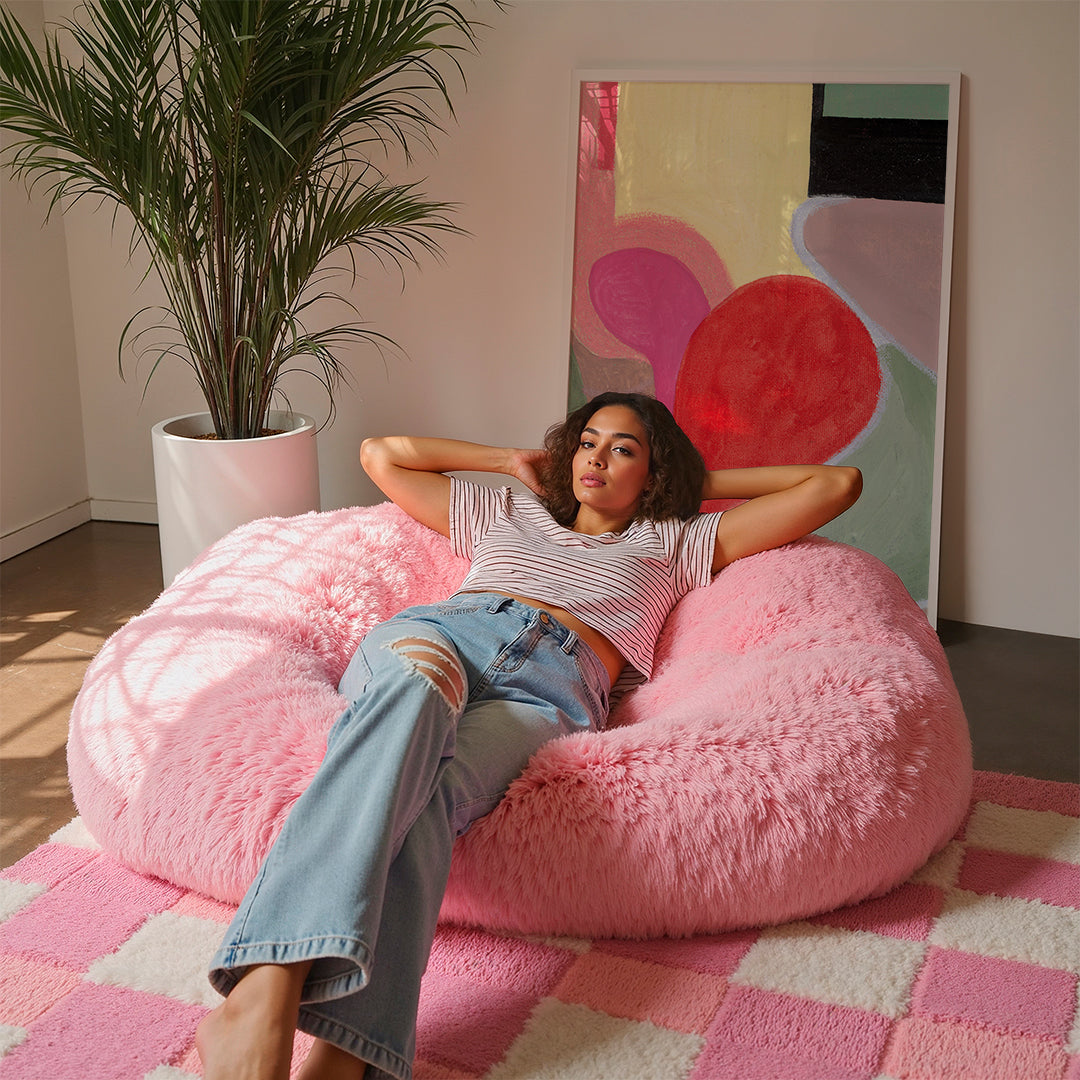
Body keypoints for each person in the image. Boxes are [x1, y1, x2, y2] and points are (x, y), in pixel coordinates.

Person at [196, 391, 862, 1080]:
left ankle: (342, 1053)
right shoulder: (512, 512)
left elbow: (835, 483)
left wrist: (690, 482)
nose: (596, 458)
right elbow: (381, 456)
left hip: (548, 690)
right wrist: (508, 461)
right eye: (588, 442)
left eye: (624, 449)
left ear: (654, 471)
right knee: (417, 691)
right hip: (447, 635)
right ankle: (270, 986)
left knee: (428, 796)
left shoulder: (676, 541)